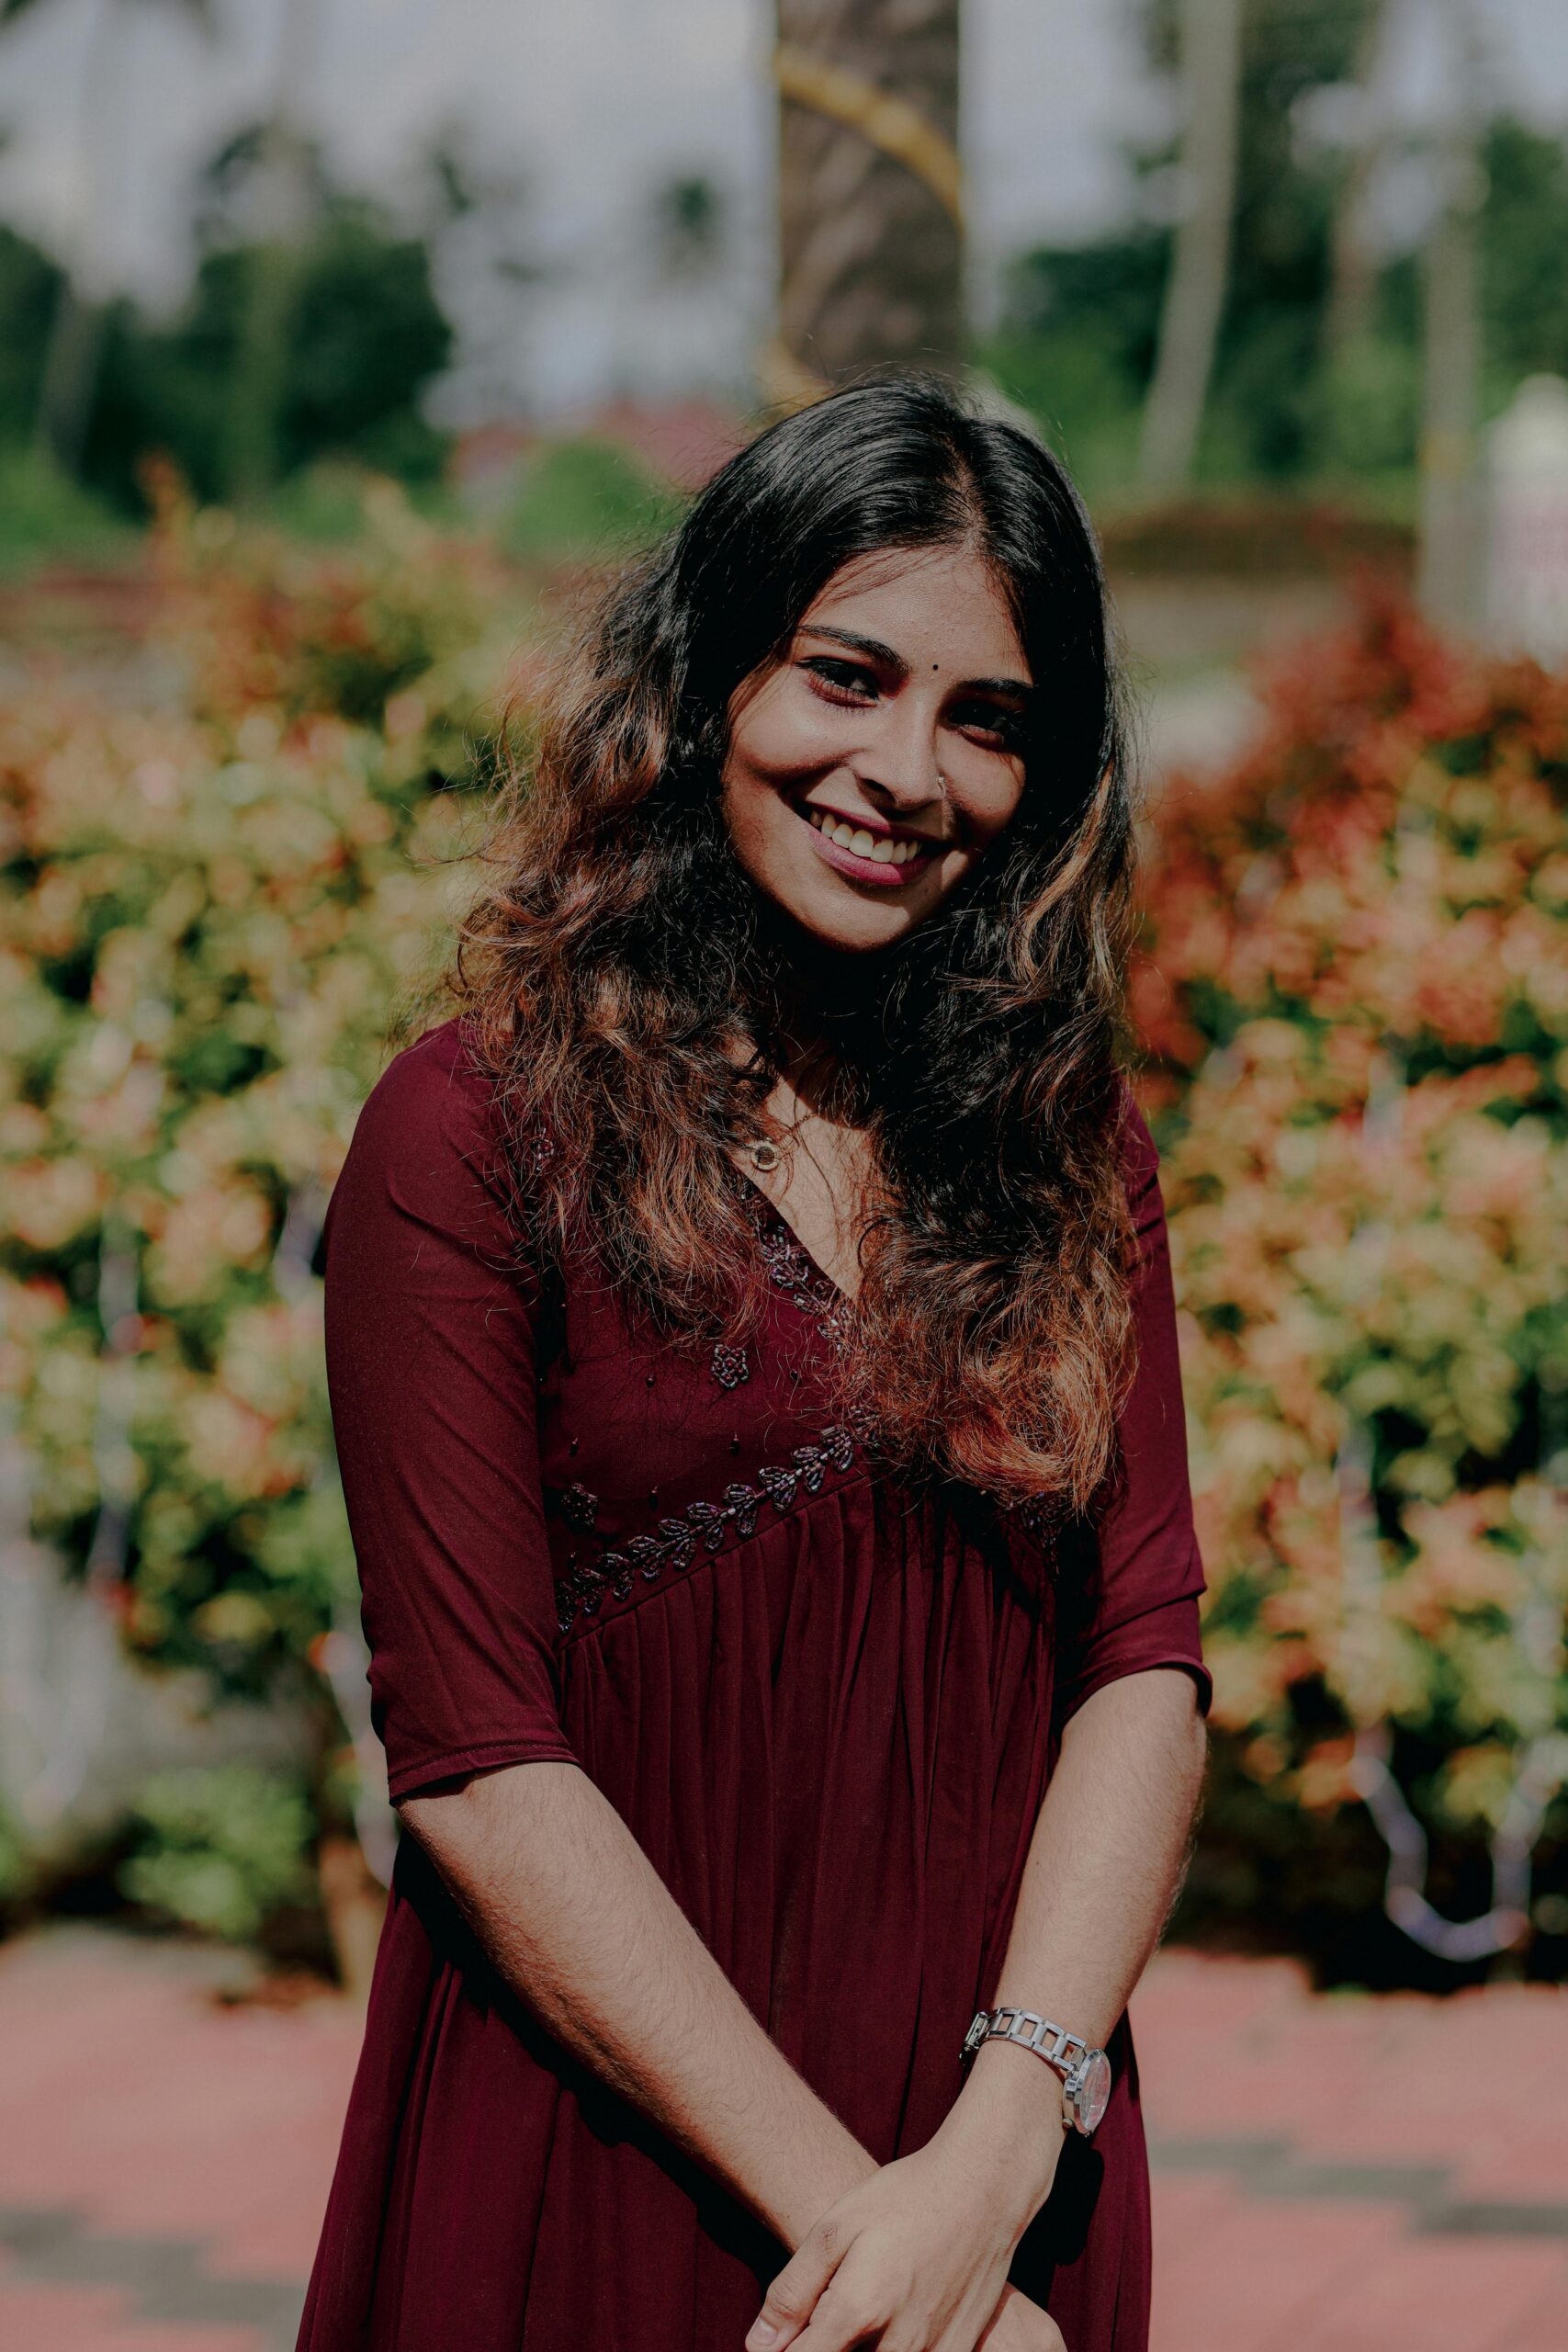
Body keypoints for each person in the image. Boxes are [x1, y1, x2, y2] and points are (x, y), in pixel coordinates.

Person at [299, 377, 1210, 2352]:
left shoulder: (1066, 1144)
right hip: (613, 2143)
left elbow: (1143, 1656)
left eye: (986, 719)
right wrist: (872, 2242)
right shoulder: (470, 1135)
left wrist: (991, 2154)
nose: (905, 767)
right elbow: (474, 1758)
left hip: (998, 2144)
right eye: (845, 676)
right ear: (708, 680)